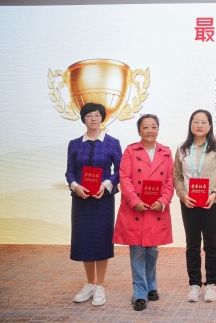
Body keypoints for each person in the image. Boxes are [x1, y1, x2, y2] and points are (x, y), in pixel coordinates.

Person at [113, 114, 174, 311]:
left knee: (152, 251)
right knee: (138, 251)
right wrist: (134, 201)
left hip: (155, 209)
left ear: (158, 130)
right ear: (139, 130)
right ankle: (140, 292)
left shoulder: (166, 152)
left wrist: (163, 201)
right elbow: (124, 178)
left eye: (153, 127)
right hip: (136, 209)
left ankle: (151, 284)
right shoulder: (130, 151)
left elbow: (170, 181)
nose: (150, 130)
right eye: (145, 127)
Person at [66, 102, 122, 307]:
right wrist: (75, 186)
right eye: (89, 115)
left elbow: (120, 170)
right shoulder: (74, 144)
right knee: (85, 239)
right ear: (83, 119)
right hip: (81, 200)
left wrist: (105, 185)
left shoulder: (112, 142)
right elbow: (70, 171)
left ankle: (100, 286)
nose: (93, 119)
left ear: (102, 118)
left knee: (101, 239)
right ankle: (89, 283)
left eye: (97, 115)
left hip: (102, 199)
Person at [174, 109, 216, 303]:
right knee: (192, 245)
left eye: (203, 122)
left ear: (210, 125)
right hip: (189, 203)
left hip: (211, 203)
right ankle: (194, 284)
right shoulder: (182, 149)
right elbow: (177, 176)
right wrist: (183, 194)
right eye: (195, 121)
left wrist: (215, 194)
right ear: (190, 125)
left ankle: (211, 284)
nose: (199, 125)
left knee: (211, 245)